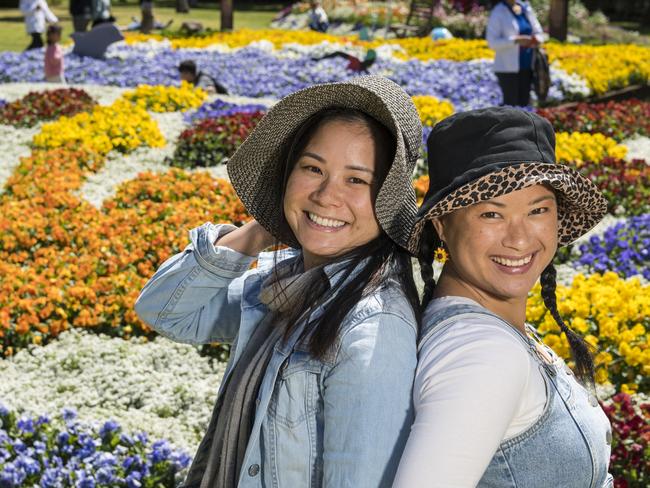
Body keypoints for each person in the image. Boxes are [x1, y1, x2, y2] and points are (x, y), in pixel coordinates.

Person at [135, 76, 423, 487]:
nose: (326, 195)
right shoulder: (287, 284)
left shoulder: (373, 328)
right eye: (312, 168)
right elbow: (165, 310)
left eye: (356, 180)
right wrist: (259, 230)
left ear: (388, 199)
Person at [393, 107, 614, 488]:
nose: (520, 239)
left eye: (538, 210)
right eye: (492, 214)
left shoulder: (487, 326)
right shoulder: (482, 355)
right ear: (442, 224)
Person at [486, 0, 544, 106]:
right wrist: (515, 40)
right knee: (510, 107)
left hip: (528, 66)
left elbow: (539, 32)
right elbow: (492, 42)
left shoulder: (525, 8)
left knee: (524, 106)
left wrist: (536, 39)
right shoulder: (498, 11)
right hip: (507, 69)